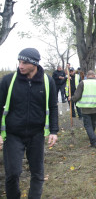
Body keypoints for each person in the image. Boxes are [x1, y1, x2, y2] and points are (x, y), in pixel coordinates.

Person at [0, 48, 59, 198]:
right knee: (13, 173)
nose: (21, 65)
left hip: (37, 134)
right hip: (13, 134)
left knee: (38, 173)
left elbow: (53, 106)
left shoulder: (47, 81)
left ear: (35, 63)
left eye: (25, 62)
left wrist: (53, 131)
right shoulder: (8, 80)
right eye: (19, 62)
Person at [70, 70, 96, 148]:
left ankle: (93, 142)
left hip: (85, 108)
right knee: (93, 122)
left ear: (87, 75)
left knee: (88, 125)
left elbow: (77, 95)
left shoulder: (83, 83)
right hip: (95, 107)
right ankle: (92, 135)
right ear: (94, 75)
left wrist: (72, 99)